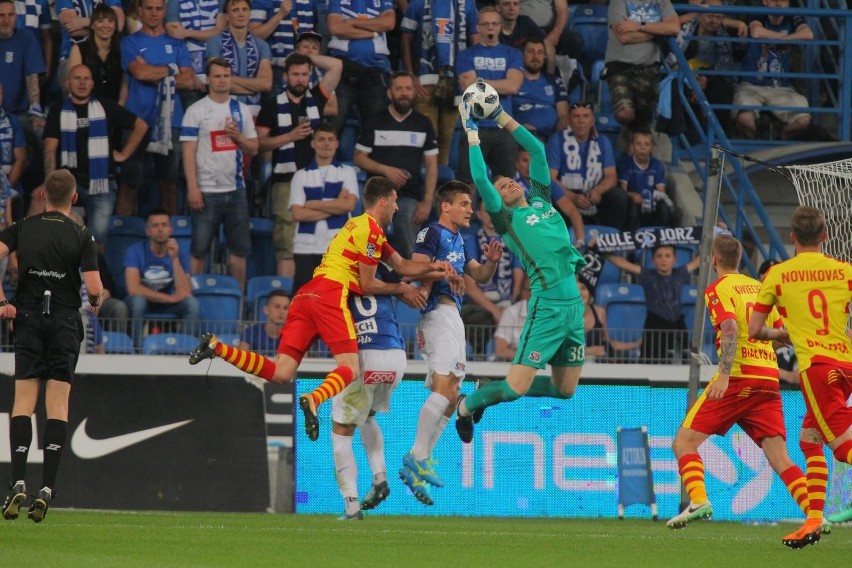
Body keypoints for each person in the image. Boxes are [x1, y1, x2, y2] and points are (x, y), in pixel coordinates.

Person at [188, 176, 456, 444]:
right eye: (395, 202)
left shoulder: (357, 226)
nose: (397, 208)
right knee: (350, 368)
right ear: (383, 201)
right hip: (329, 294)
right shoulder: (371, 230)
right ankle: (314, 399)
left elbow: (403, 266)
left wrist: (437, 267)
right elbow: (367, 284)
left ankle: (216, 347)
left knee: (281, 372)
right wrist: (402, 290)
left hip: (305, 294)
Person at [453, 97, 586, 454]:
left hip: (574, 307)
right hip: (545, 308)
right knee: (515, 390)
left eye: (510, 180)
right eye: (501, 188)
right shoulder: (507, 221)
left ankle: (486, 386)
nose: (508, 184)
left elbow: (537, 149)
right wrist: (472, 130)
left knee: (566, 390)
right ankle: (467, 406)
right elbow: (480, 178)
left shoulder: (542, 200)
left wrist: (499, 115)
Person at [667, 234, 811, 530]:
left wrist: (724, 373)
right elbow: (778, 334)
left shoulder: (718, 288)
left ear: (714, 260)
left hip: (738, 377)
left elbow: (730, 326)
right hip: (768, 379)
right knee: (780, 458)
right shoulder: (759, 288)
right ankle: (815, 513)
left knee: (683, 442)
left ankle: (698, 500)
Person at [0, 169, 102, 524]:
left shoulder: (24, 227)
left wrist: (2, 301)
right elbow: (95, 287)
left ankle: (16, 482)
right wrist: (98, 299)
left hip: (27, 318)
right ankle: (46, 489)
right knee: (57, 404)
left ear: (42, 194)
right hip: (63, 322)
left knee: (23, 403)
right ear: (74, 199)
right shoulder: (82, 234)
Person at [748, 206, 852, 549]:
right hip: (846, 366)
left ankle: (812, 520)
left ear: (791, 237)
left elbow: (754, 329)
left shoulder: (777, 274)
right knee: (810, 440)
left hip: (818, 371)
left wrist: (782, 333)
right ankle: (813, 521)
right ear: (825, 237)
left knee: (843, 448)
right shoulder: (844, 270)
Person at [399, 180, 500, 506]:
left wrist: (492, 262)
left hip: (451, 318)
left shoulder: (460, 238)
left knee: (451, 393)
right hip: (436, 316)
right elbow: (416, 269)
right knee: (446, 392)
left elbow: (479, 277)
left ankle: (418, 462)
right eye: (465, 204)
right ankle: (415, 458)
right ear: (446, 206)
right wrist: (444, 274)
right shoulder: (431, 234)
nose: (471, 209)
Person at [44, 63, 148, 250]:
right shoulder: (57, 109)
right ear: (68, 83)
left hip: (102, 184)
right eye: (77, 78)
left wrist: (124, 154)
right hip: (69, 182)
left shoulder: (106, 106)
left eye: (86, 79)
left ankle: (94, 277)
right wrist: (51, 182)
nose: (82, 83)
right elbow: (50, 148)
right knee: (61, 231)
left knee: (97, 240)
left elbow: (141, 126)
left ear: (93, 83)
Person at [332, 265, 408, 520]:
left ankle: (351, 505)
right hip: (395, 356)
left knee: (341, 431)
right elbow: (403, 272)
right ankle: (379, 478)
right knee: (367, 417)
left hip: (364, 357)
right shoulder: (380, 271)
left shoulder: (336, 277)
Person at [256, 51, 342, 278]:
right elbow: (259, 145)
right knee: (286, 240)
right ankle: (286, 299)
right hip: (285, 180)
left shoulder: (317, 97)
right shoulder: (272, 106)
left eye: (305, 74)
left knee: (319, 238)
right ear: (285, 76)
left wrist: (307, 56)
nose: (300, 79)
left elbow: (336, 66)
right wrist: (290, 136)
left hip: (317, 180)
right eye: (295, 74)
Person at [119, 0, 205, 216]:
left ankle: (171, 238)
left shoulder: (177, 44)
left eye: (158, 8)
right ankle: (123, 235)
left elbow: (189, 80)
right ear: (140, 11)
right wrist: (172, 69)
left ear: (165, 11)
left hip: (172, 121)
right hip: (136, 120)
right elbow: (139, 73)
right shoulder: (129, 42)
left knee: (169, 183)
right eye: (149, 8)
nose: (154, 13)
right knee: (130, 183)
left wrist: (152, 70)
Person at [181, 57, 258, 291]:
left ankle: (238, 302)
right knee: (199, 249)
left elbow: (254, 148)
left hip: (236, 190)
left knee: (239, 251)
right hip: (206, 190)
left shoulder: (241, 109)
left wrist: (239, 138)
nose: (222, 80)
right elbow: (188, 152)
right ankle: (194, 297)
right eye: (217, 76)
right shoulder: (196, 111)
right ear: (208, 79)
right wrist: (193, 188)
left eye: (226, 75)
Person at [353, 71, 438, 258]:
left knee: (411, 243)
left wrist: (427, 201)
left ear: (414, 92)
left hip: (408, 196)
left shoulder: (423, 124)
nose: (404, 93)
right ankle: (364, 282)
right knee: (367, 242)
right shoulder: (375, 121)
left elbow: (432, 166)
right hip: (376, 196)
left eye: (408, 88)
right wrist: (385, 170)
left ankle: (415, 283)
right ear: (390, 93)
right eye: (399, 89)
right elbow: (359, 158)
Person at [400, 0, 478, 166]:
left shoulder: (468, 4)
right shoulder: (418, 3)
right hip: (425, 78)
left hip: (456, 80)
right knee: (427, 134)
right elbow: (406, 39)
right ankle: (422, 179)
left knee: (446, 136)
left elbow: (475, 42)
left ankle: (440, 183)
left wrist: (469, 76)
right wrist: (410, 75)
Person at [455, 7, 523, 184]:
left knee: (506, 185)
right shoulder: (465, 55)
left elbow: (513, 86)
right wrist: (500, 84)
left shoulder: (514, 54)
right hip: (474, 127)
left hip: (504, 127)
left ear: (500, 27)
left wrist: (479, 81)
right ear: (478, 27)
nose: (490, 28)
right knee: (467, 184)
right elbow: (470, 89)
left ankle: (500, 214)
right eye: (486, 24)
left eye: (494, 24)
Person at [289, 123, 358, 295]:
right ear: (313, 143)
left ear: (337, 143)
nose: (326, 144)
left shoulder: (347, 172)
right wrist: (335, 205)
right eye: (321, 139)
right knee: (304, 298)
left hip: (337, 246)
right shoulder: (301, 175)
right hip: (306, 247)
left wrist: (312, 204)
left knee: (336, 297)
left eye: (330, 139)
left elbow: (348, 206)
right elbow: (297, 214)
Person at [607, 244, 700, 363]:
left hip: (676, 325)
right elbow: (623, 264)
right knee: (650, 362)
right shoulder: (647, 274)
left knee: (682, 363)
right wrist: (602, 250)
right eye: (659, 256)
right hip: (654, 326)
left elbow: (701, 259)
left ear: (674, 259)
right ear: (653, 260)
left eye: (667, 256)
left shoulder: (680, 273)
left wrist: (714, 235)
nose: (663, 259)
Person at [734, 0, 813, 140]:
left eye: (783, 1)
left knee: (803, 120)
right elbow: (756, 31)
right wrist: (788, 39)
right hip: (751, 85)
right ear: (765, 1)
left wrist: (781, 39)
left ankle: (781, 140)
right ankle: (753, 150)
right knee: (745, 119)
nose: (779, 4)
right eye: (774, 0)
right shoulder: (758, 13)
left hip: (781, 87)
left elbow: (808, 34)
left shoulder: (793, 17)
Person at [546, 101, 630, 231]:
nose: (581, 121)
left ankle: (611, 242)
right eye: (576, 116)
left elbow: (611, 177)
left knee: (619, 197)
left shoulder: (603, 141)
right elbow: (550, 179)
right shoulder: (556, 140)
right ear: (569, 120)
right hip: (567, 196)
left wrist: (598, 191)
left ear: (592, 120)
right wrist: (572, 197)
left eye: (585, 116)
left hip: (594, 196)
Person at [124, 208, 200, 347]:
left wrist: (175, 259)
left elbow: (185, 290)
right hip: (144, 302)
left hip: (168, 304)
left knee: (191, 304)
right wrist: (169, 298)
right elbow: (133, 289)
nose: (160, 229)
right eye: (155, 225)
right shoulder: (135, 250)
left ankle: (184, 350)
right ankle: (137, 350)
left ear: (170, 230)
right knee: (138, 302)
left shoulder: (179, 251)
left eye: (164, 225)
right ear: (148, 231)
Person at [604, 0, 680, 134]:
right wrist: (659, 30)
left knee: (644, 122)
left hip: (649, 67)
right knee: (625, 114)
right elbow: (625, 37)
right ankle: (628, 140)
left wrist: (639, 26)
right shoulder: (618, 2)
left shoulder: (662, 1)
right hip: (619, 65)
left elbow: (674, 28)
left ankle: (631, 145)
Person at [460, 198, 524, 356]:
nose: (491, 216)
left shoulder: (513, 241)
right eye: (487, 212)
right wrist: (495, 310)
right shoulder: (471, 243)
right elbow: (469, 285)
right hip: (480, 306)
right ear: (479, 215)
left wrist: (509, 304)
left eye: (494, 212)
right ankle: (481, 361)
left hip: (508, 302)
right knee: (480, 320)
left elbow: (518, 276)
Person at [325, 0, 396, 136]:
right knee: (331, 129)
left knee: (376, 133)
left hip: (375, 71)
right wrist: (373, 33)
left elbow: (388, 23)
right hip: (343, 71)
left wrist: (352, 22)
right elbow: (336, 28)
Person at [206, 0, 273, 118]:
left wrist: (230, 79)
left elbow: (266, 84)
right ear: (226, 16)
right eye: (235, 10)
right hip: (222, 110)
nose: (241, 14)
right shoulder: (214, 42)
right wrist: (254, 87)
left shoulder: (262, 45)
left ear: (250, 13)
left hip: (254, 112)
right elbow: (216, 82)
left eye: (245, 9)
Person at [248, 0, 315, 94]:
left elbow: (311, 36)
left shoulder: (307, 2)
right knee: (276, 108)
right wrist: (280, 15)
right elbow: (254, 37)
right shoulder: (262, 1)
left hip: (303, 70)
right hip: (275, 70)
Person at [66, 4, 125, 103]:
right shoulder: (79, 49)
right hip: (88, 107)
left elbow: (124, 85)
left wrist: (120, 109)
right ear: (92, 25)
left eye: (110, 21)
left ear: (115, 26)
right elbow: (74, 85)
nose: (105, 25)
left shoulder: (121, 51)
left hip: (115, 108)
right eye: (100, 21)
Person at [513, 38, 569, 142]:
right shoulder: (513, 81)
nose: (535, 56)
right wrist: (518, 128)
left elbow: (564, 116)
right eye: (531, 51)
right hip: (521, 137)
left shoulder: (554, 81)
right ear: (522, 54)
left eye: (540, 52)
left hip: (551, 138)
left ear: (544, 57)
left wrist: (557, 139)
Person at [617, 129, 674, 231]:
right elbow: (622, 191)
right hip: (634, 201)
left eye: (647, 144)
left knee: (664, 208)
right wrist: (634, 195)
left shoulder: (657, 165)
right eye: (638, 144)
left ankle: (662, 239)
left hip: (652, 201)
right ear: (632, 146)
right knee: (632, 207)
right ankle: (631, 239)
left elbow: (661, 190)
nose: (642, 148)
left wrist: (653, 197)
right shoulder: (625, 165)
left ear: (652, 148)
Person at [239, 289, 291, 354]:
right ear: (266, 309)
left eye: (285, 308)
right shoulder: (251, 332)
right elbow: (241, 358)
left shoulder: (294, 336)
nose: (281, 311)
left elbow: (304, 362)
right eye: (277, 307)